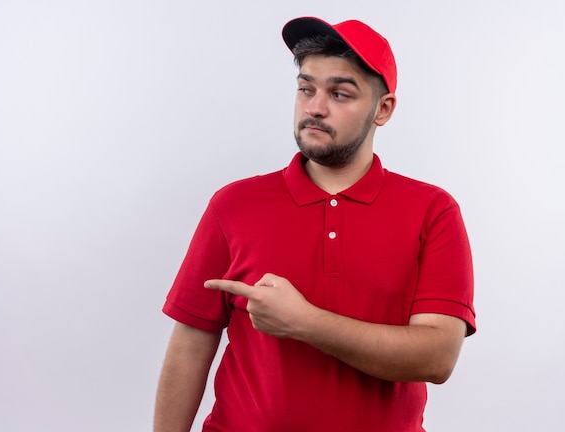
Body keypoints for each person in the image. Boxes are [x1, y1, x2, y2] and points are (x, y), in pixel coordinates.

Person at [154, 16, 476, 432]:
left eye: (340, 93)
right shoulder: (233, 204)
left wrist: (304, 322)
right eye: (306, 88)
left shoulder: (433, 211)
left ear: (383, 109)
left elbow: (437, 358)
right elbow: (192, 342)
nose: (315, 107)